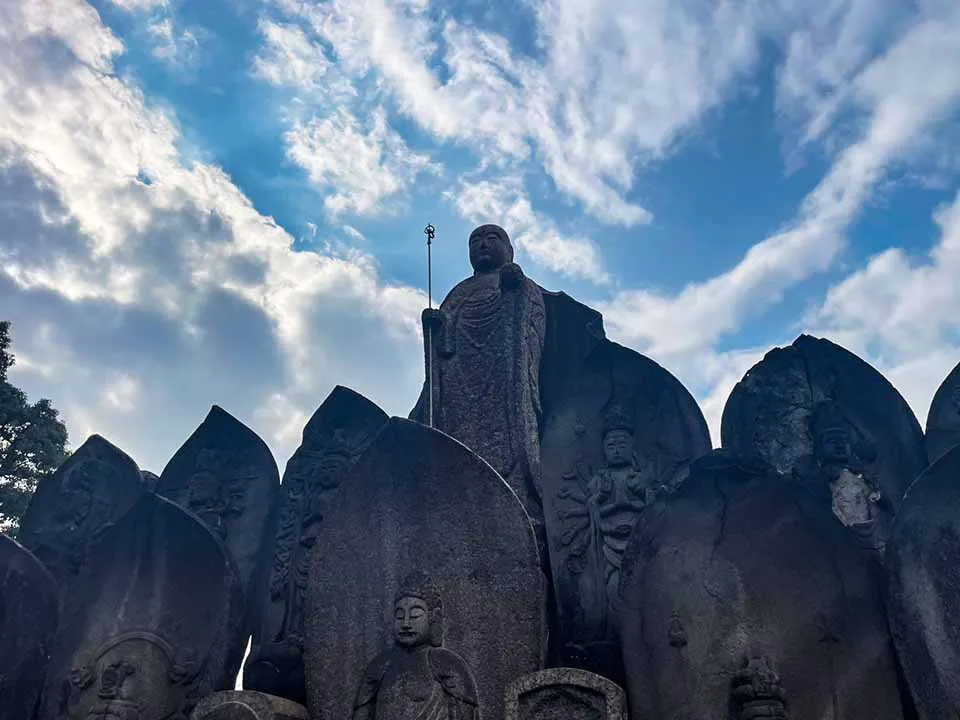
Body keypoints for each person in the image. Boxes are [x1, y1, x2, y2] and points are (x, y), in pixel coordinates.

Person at [412, 224, 545, 524]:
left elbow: (531, 329)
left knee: (508, 447)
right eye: (475, 241)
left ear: (509, 251)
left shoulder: (520, 285)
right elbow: (444, 347)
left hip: (504, 382)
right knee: (454, 442)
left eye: (492, 238)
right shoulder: (459, 292)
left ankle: (517, 510)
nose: (483, 245)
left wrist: (515, 291)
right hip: (459, 386)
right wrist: (435, 326)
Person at [353, 573, 479, 720]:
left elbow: (466, 713)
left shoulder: (448, 663)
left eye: (415, 616)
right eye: (400, 617)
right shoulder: (380, 665)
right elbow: (362, 713)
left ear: (433, 618)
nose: (406, 624)